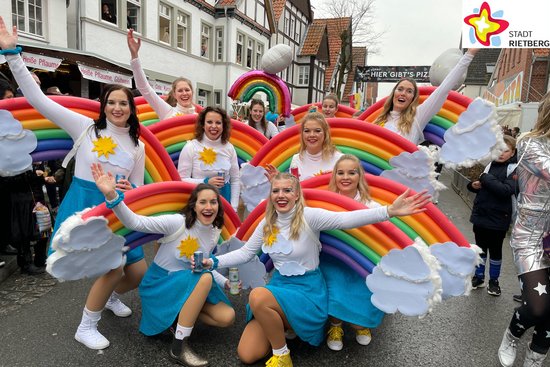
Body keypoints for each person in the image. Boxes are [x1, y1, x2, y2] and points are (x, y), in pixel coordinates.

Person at [0, 15, 147, 350]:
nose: (117, 107)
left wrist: (130, 191)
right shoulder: (84, 126)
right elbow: (40, 101)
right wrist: (13, 54)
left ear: (131, 108)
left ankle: (107, 298)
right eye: (111, 101)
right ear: (104, 106)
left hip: (119, 208)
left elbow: (138, 185)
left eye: (123, 102)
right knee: (113, 267)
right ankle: (86, 324)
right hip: (87, 203)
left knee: (136, 273)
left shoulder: (138, 146)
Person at [198, 172, 430, 365]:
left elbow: (346, 220)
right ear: (271, 195)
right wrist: (214, 262)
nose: (281, 195)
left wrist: (389, 211)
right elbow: (246, 253)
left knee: (258, 295)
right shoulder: (267, 223)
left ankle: (282, 355)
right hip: (280, 288)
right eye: (276, 190)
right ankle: (285, 328)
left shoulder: (310, 217)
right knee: (247, 355)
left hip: (308, 291)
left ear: (296, 194)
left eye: (287, 190)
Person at [91, 164, 235, 367]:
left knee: (226, 317)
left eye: (213, 202)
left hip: (188, 284)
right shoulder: (177, 222)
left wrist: (226, 282)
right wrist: (112, 195)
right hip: (160, 284)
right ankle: (179, 346)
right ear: (194, 205)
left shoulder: (214, 231)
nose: (208, 207)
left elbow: (206, 263)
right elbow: (136, 223)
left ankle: (176, 319)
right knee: (205, 278)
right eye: (203, 202)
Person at [497, 92, 550, 367]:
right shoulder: (529, 143)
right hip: (531, 238)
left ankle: (536, 354)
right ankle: (513, 332)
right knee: (539, 305)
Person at [322, 154, 385, 351]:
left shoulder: (371, 204)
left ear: (360, 176)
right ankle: (335, 326)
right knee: (334, 287)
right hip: (334, 259)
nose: (345, 177)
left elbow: (383, 232)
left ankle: (362, 324)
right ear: (334, 177)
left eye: (351, 172)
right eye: (340, 173)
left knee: (362, 290)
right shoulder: (327, 202)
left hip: (360, 260)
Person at [373, 49, 478, 145]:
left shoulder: (417, 117)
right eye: (400, 89)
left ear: (413, 98)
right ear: (393, 94)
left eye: (409, 91)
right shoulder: (379, 120)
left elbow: (443, 89)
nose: (403, 93)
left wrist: (469, 55)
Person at [467, 135, 517, 297]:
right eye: (498, 149)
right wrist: (474, 185)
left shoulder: (514, 169)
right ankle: (479, 277)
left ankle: (494, 281)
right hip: (481, 214)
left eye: (506, 150)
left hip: (499, 218)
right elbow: (483, 185)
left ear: (512, 152)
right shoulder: (489, 166)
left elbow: (505, 191)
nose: (501, 153)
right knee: (480, 249)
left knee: (495, 251)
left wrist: (485, 178)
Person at [177, 106, 240, 211]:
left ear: (224, 125)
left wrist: (233, 208)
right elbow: (181, 180)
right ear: (202, 124)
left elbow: (235, 180)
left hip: (224, 208)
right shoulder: (191, 147)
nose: (214, 126)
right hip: (199, 208)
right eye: (209, 122)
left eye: (218, 123)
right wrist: (205, 182)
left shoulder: (229, 148)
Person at [127, 29, 196, 118]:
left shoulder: (201, 118)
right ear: (174, 95)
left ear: (192, 92)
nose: (184, 93)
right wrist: (134, 56)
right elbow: (144, 88)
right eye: (180, 90)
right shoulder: (167, 111)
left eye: (187, 90)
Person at [265, 112, 343, 182]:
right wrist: (280, 181)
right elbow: (294, 191)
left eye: (317, 131)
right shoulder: (296, 159)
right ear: (302, 134)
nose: (312, 135)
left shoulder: (339, 160)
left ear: (325, 133)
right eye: (307, 131)